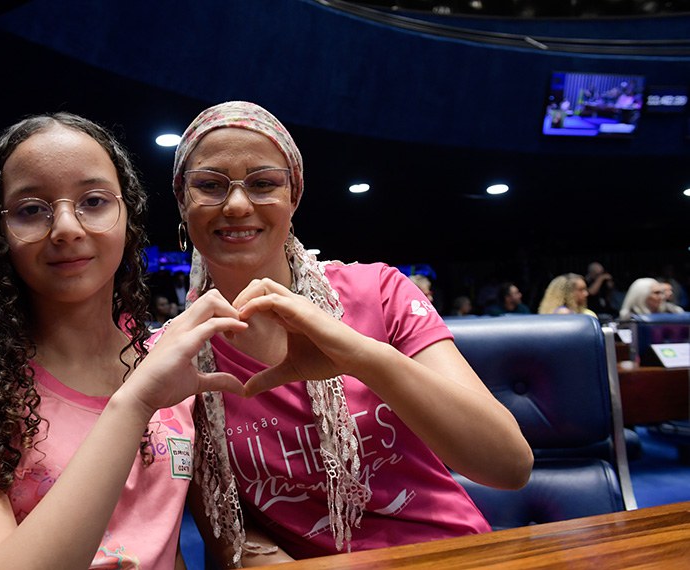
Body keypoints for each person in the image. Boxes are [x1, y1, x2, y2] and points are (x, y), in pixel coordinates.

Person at [167, 101, 533, 567]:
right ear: (182, 199)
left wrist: (364, 357)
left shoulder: (379, 290)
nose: (237, 205)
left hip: (452, 553)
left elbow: (509, 466)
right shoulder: (179, 353)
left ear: (293, 196)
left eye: (262, 183)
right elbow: (231, 535)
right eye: (210, 186)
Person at [0, 112, 249, 570]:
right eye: (31, 209)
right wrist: (135, 401)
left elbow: (160, 543)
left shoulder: (172, 365)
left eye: (94, 201)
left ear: (128, 219)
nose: (66, 227)